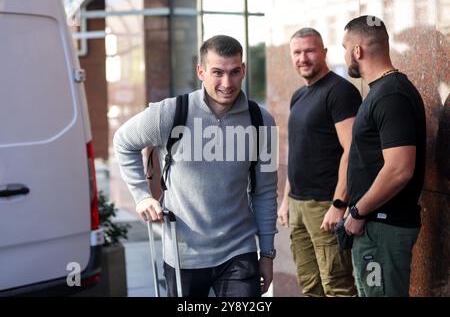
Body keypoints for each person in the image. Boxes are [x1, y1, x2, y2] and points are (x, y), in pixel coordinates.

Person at [113, 35, 278, 297]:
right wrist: (142, 195)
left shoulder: (262, 121)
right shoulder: (170, 113)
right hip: (183, 252)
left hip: (239, 250)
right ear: (200, 72)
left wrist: (267, 253)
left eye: (235, 72)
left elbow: (266, 191)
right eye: (217, 73)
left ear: (243, 69)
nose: (227, 83)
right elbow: (123, 141)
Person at [342, 16, 426, 297]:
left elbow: (400, 168)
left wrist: (358, 211)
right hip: (376, 227)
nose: (345, 55)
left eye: (345, 47)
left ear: (357, 51)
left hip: (382, 227)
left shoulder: (391, 95)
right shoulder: (383, 92)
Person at [277, 28, 360, 296]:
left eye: (310, 51)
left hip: (325, 204)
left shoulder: (340, 92)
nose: (303, 58)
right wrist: (286, 199)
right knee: (310, 284)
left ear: (323, 52)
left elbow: (352, 151)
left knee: (337, 286)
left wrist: (339, 204)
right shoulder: (299, 96)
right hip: (299, 205)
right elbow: (298, 151)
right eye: (297, 52)